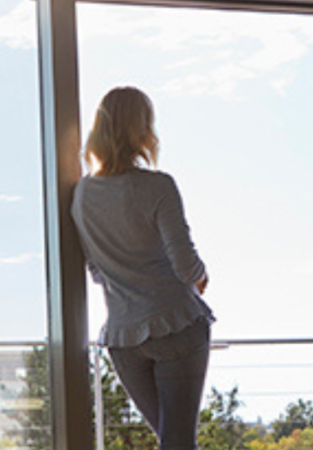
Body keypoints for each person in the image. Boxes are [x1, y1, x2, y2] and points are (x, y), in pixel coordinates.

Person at [71, 86, 214, 450]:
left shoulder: (83, 195)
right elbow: (185, 264)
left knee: (172, 442)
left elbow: (97, 271)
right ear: (142, 129)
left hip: (123, 339)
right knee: (179, 444)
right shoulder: (158, 186)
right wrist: (201, 275)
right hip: (176, 325)